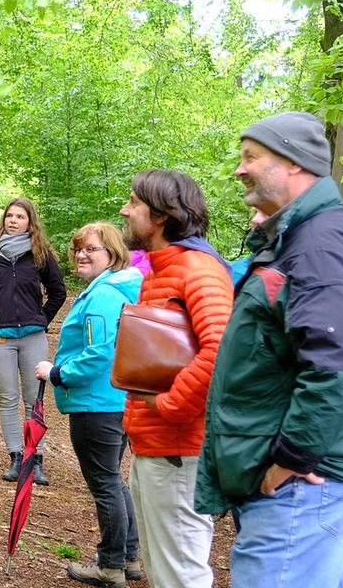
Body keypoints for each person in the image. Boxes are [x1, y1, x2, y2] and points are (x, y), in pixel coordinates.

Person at [196, 112, 343, 588]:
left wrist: (292, 459)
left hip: (301, 487)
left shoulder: (316, 244)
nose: (240, 170)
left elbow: (338, 365)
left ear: (295, 164)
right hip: (297, 485)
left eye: (252, 158)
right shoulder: (295, 239)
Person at [117, 169, 232, 588]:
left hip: (180, 450)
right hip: (155, 446)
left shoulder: (198, 270)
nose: (124, 210)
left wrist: (168, 405)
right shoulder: (160, 268)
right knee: (164, 572)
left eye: (134, 202)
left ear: (161, 215)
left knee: (180, 575)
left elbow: (219, 351)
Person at [36, 223, 143, 587]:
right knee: (113, 480)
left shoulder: (103, 297)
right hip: (113, 400)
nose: (81, 254)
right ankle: (128, 558)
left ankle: (111, 565)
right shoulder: (114, 289)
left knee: (104, 484)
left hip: (96, 403)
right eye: (77, 248)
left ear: (111, 253)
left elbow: (99, 353)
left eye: (91, 249)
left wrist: (57, 373)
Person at [0, 197, 67, 486]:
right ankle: (16, 457)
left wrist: (41, 318)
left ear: (29, 222)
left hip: (33, 337)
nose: (13, 220)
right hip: (0, 338)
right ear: (3, 219)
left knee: (34, 400)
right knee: (8, 398)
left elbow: (58, 292)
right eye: (10, 215)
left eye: (20, 216)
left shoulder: (40, 253)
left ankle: (37, 460)